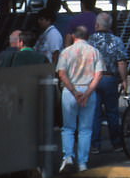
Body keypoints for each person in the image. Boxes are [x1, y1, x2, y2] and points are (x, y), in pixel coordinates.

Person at [56, 25, 103, 173]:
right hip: (88, 90)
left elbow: (62, 74)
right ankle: (83, 163)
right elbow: (99, 75)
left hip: (70, 91)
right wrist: (88, 92)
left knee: (68, 127)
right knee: (85, 129)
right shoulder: (95, 52)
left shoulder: (66, 52)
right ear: (87, 37)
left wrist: (74, 91)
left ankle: (68, 157)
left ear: (74, 36)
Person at [87, 13, 128, 154]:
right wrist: (124, 80)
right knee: (112, 112)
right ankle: (116, 144)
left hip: (93, 79)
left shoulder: (89, 41)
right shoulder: (116, 40)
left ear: (97, 25)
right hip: (110, 79)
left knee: (95, 113)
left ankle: (95, 145)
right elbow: (121, 62)